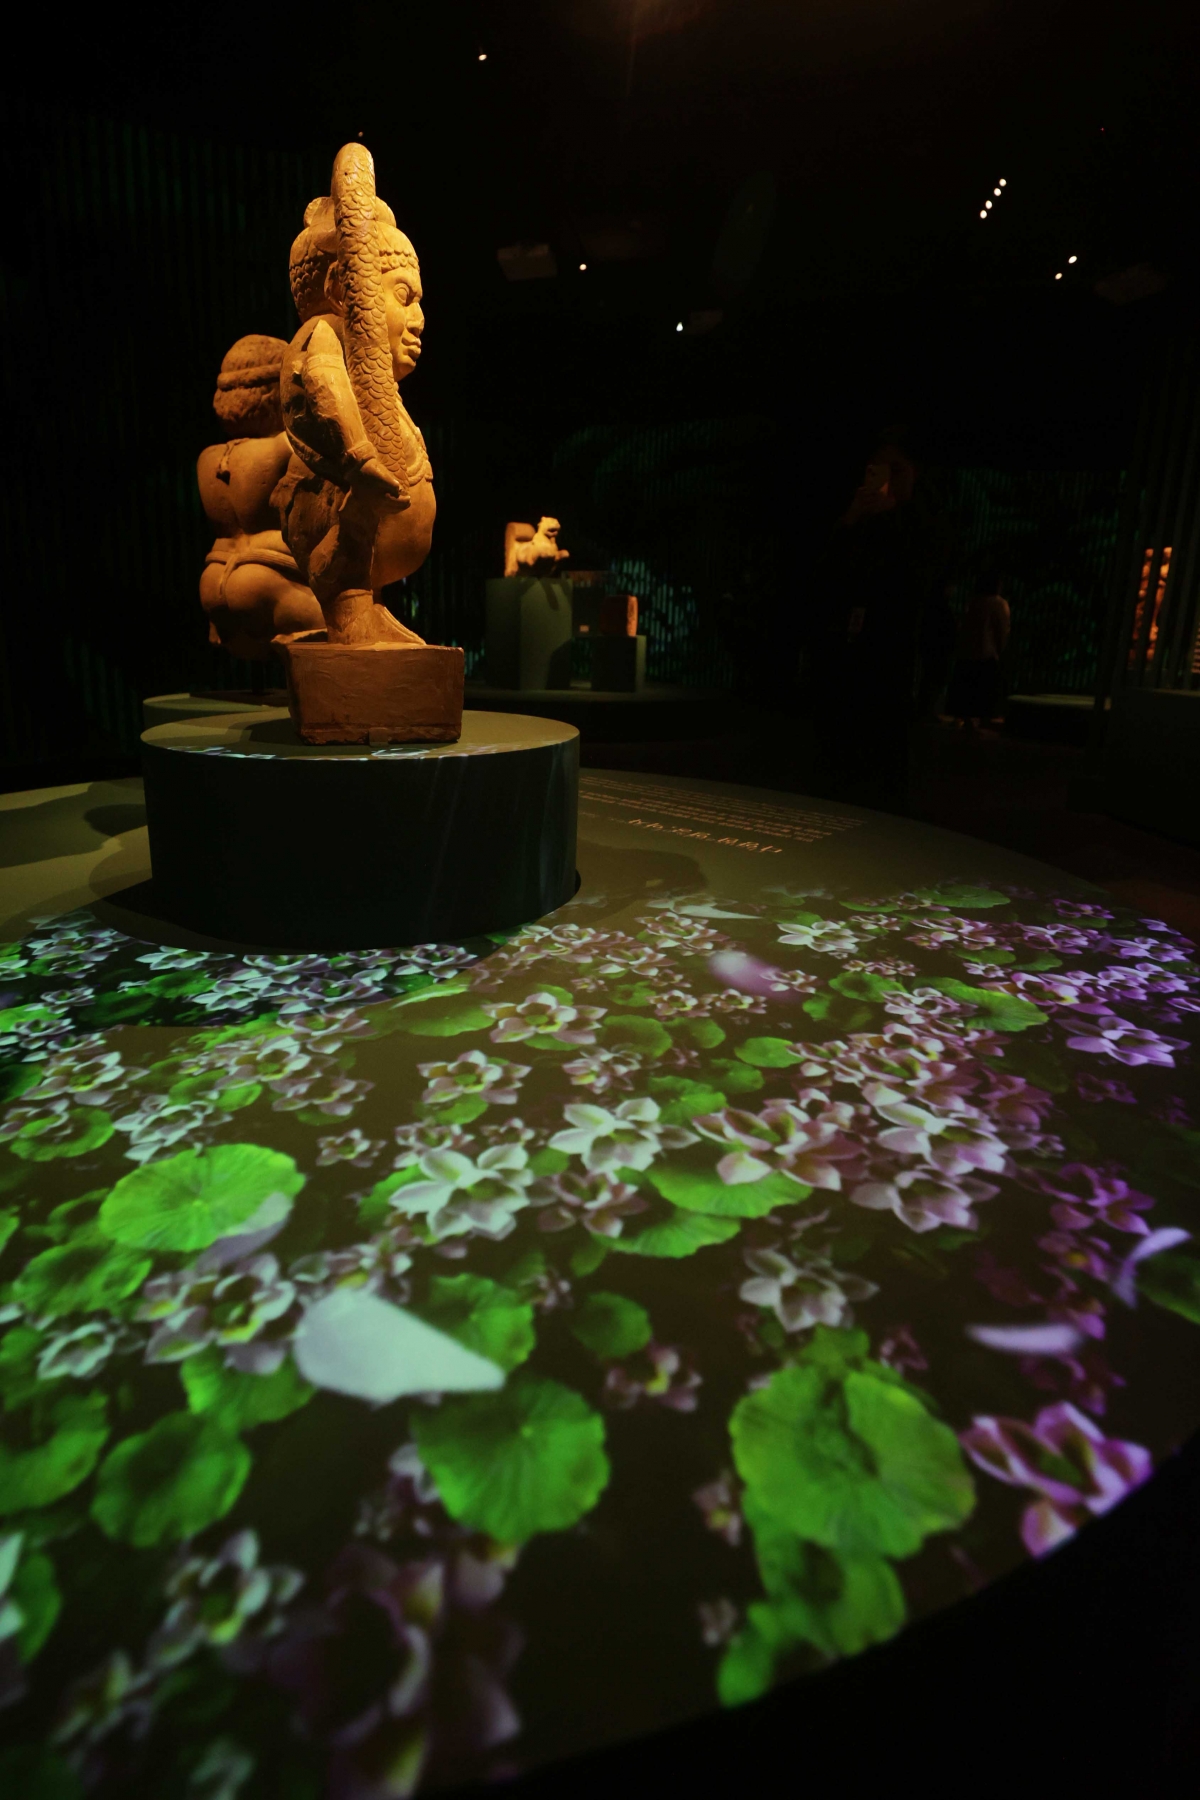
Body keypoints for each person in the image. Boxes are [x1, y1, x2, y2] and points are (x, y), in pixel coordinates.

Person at [947, 569, 1010, 731]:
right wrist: (1000, 650)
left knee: (968, 689)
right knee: (984, 690)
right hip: (987, 653)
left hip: (968, 652)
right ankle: (982, 720)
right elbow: (1002, 630)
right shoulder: (999, 603)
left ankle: (967, 718)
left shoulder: (974, 602)